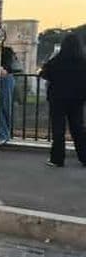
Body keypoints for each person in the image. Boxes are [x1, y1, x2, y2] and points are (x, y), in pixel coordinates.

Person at [39, 33, 86, 167]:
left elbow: (44, 74)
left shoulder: (57, 60)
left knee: (58, 129)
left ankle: (57, 159)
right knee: (78, 128)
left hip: (58, 99)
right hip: (77, 99)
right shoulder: (83, 62)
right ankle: (84, 157)